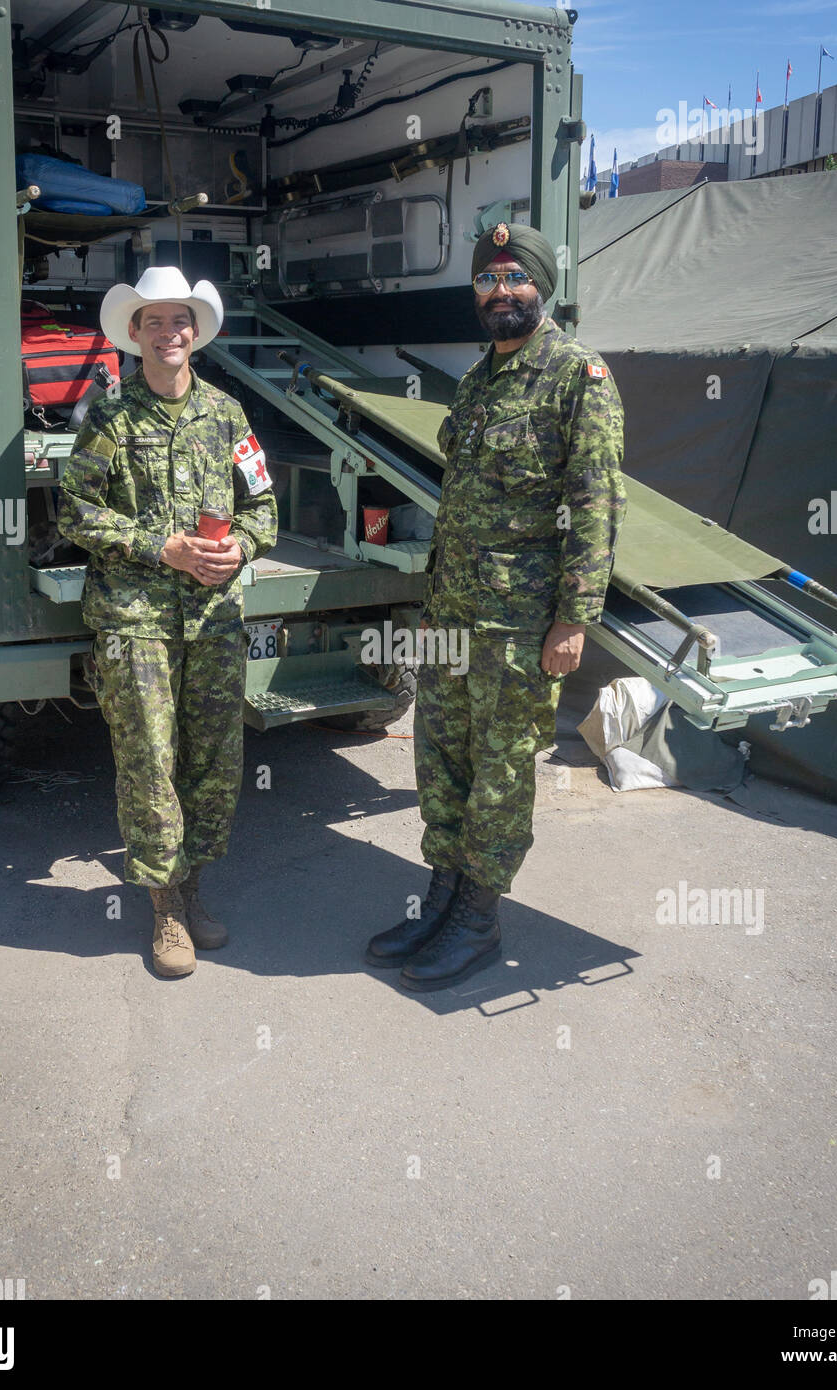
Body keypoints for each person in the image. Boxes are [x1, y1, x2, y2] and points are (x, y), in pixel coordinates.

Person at [365, 222, 627, 992]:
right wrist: (431, 602)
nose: (500, 291)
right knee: (440, 759)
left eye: (514, 278)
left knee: (499, 768)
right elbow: (457, 504)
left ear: (541, 286)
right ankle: (440, 900)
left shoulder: (578, 376)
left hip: (519, 624)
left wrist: (573, 619)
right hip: (452, 613)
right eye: (487, 279)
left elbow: (595, 503)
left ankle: (478, 920)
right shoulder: (479, 378)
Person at [58, 266, 277, 978]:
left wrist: (242, 546)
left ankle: (193, 887)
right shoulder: (110, 418)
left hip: (212, 619)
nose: (168, 332)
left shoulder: (228, 415)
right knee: (150, 763)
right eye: (154, 321)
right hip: (136, 620)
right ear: (135, 333)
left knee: (214, 762)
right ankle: (165, 909)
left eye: (179, 320)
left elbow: (263, 505)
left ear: (195, 331)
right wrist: (161, 547)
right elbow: (75, 512)